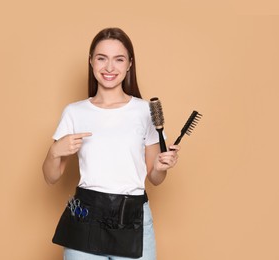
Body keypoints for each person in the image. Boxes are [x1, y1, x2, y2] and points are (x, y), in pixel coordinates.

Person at [42, 27, 180, 260]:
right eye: (101, 58)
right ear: (91, 62)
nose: (109, 67)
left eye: (119, 59)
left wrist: (159, 167)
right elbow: (50, 177)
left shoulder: (145, 111)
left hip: (133, 217)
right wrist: (54, 151)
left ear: (129, 65)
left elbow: (155, 179)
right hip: (85, 215)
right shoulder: (74, 112)